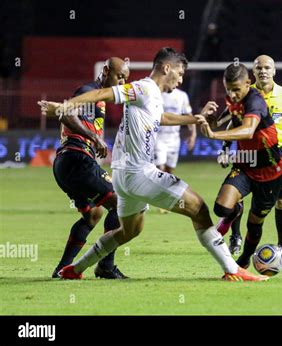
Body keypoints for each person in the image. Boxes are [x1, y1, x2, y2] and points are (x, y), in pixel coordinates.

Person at [39, 47, 268, 282]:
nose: (180, 80)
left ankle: (74, 270)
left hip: (123, 176)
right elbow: (103, 94)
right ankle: (232, 269)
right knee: (198, 208)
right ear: (166, 68)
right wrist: (68, 105)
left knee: (129, 231)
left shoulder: (153, 95)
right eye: (179, 74)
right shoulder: (144, 87)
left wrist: (195, 118)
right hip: (139, 172)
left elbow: (161, 118)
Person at [197, 62, 282, 269]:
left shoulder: (255, 101)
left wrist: (214, 134)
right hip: (246, 164)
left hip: (271, 170)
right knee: (221, 207)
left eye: (236, 89)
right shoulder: (233, 99)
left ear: (248, 83)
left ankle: (245, 260)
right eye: (228, 89)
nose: (232, 94)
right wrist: (208, 120)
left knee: (254, 223)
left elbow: (247, 130)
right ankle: (235, 210)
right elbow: (224, 123)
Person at [220, 55, 282, 255]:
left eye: (267, 67)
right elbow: (233, 123)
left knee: (281, 200)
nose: (263, 71)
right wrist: (225, 148)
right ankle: (236, 238)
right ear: (252, 73)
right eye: (258, 68)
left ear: (274, 71)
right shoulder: (246, 94)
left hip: (274, 156)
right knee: (235, 197)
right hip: (247, 153)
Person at [51, 57, 130, 279]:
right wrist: (94, 138)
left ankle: (61, 269)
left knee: (93, 215)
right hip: (78, 160)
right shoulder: (88, 92)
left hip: (66, 164)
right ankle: (106, 266)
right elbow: (66, 113)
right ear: (106, 71)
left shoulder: (100, 99)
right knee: (120, 204)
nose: (122, 82)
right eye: (120, 76)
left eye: (125, 78)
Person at [154, 88, 196, 174]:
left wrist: (193, 135)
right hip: (158, 137)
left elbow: (189, 116)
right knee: (159, 169)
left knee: (169, 171)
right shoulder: (156, 94)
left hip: (174, 138)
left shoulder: (182, 95)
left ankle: (164, 187)